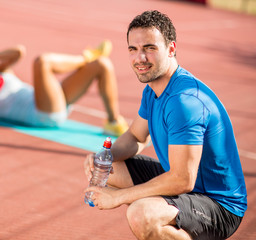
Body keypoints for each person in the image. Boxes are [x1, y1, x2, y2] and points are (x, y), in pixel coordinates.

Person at [84, 10, 247, 240]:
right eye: (133, 49)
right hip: (186, 186)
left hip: (218, 204)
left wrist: (118, 197)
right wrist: (104, 156)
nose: (140, 58)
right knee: (110, 168)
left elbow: (182, 179)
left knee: (141, 214)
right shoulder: (153, 90)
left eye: (149, 48)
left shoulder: (184, 102)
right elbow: (135, 137)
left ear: (171, 49)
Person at [0, 41, 128, 136]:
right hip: (42, 114)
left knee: (102, 64)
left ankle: (112, 122)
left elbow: (18, 51)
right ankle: (86, 57)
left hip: (52, 102)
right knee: (42, 62)